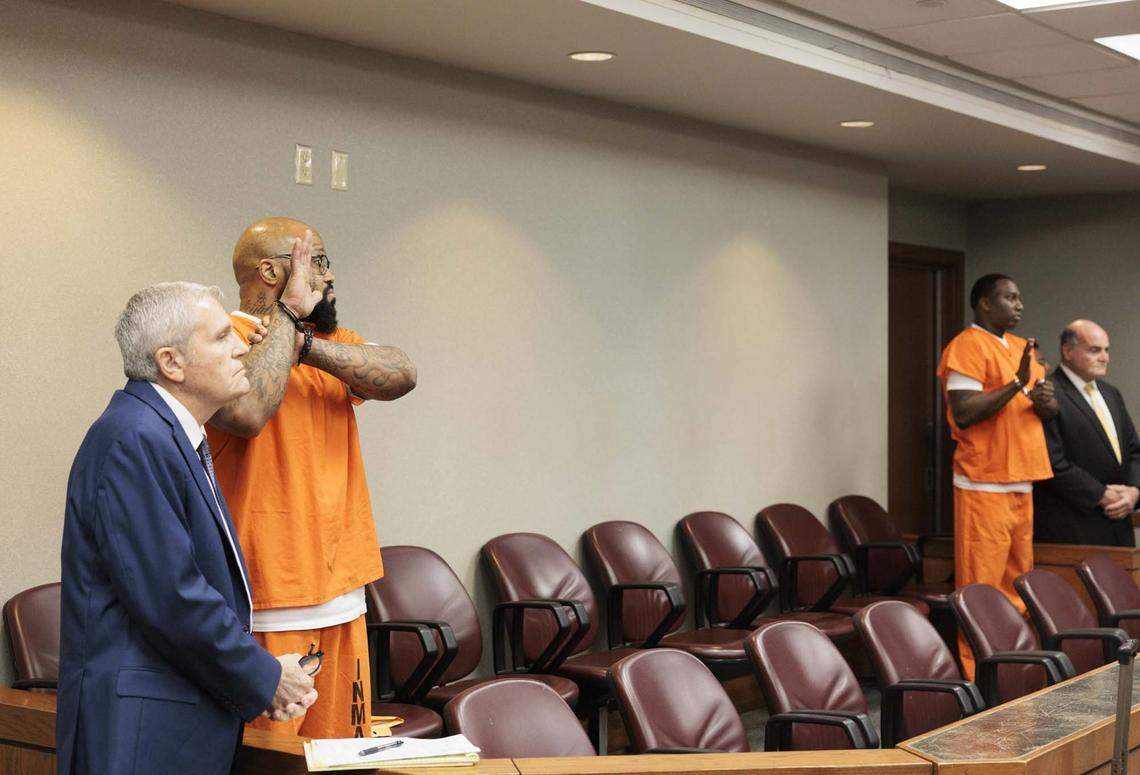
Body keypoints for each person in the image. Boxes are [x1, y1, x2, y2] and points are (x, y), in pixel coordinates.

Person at [57, 283, 318, 775]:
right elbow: (172, 597)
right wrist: (264, 675)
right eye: (221, 337)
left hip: (171, 721)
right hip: (141, 733)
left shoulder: (165, 433)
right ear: (171, 363)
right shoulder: (135, 438)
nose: (242, 346)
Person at [207, 218, 416, 738]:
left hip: (343, 594)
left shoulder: (327, 344)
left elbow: (402, 373)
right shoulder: (222, 339)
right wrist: (287, 322)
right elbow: (247, 412)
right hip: (266, 602)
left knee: (345, 757)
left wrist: (306, 346)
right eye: (317, 261)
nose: (330, 275)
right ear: (271, 271)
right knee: (271, 761)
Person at [936, 273, 1057, 678]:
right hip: (982, 483)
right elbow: (964, 413)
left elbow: (1044, 411)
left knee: (1018, 588)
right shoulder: (966, 346)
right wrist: (1017, 383)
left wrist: (1045, 400)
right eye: (1010, 297)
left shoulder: (1024, 348)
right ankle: (980, 677)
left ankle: (1016, 673)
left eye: (1020, 297)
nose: (1019, 305)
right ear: (984, 303)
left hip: (1022, 480)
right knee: (982, 589)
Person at [1034, 320, 1140, 547]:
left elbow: (1133, 451)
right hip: (1072, 527)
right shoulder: (1046, 393)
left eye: (1106, 350)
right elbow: (1051, 461)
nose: (1105, 358)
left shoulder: (1111, 393)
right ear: (1067, 351)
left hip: (1119, 526)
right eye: (1095, 350)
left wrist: (1134, 491)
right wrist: (1100, 495)